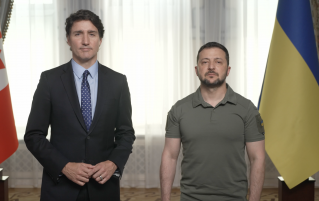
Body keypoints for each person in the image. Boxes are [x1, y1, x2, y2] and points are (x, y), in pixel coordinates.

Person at [24, 9, 135, 201]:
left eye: (92, 34)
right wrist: (64, 166)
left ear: (100, 40)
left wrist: (113, 163)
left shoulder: (118, 82)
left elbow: (125, 132)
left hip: (103, 187)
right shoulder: (49, 80)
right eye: (78, 34)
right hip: (60, 188)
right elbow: (34, 135)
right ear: (68, 39)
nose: (85, 41)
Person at [160, 42, 265, 201]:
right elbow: (170, 156)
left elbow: (257, 158)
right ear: (196, 70)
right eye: (205, 62)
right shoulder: (178, 110)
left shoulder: (247, 109)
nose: (211, 67)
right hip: (191, 197)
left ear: (228, 70)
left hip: (235, 198)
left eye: (218, 61)